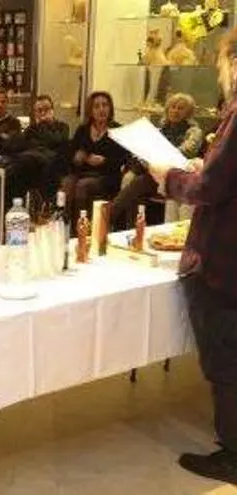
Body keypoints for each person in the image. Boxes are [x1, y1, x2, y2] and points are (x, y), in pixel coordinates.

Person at [146, 26, 237, 485]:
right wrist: (207, 166)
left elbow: (211, 188)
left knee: (225, 359)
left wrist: (171, 178)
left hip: (224, 258)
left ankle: (233, 454)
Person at [110, 93, 204, 228]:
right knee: (135, 190)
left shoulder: (194, 131)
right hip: (156, 173)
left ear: (188, 112)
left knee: (139, 183)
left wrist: (160, 155)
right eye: (173, 107)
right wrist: (144, 156)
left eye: (180, 108)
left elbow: (187, 151)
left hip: (177, 176)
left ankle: (109, 216)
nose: (175, 111)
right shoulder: (161, 129)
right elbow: (146, 151)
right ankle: (131, 229)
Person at [61, 91, 130, 228]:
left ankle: (83, 229)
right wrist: (78, 158)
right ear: (90, 111)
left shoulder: (118, 130)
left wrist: (104, 161)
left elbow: (123, 159)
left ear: (110, 108)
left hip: (106, 176)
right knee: (66, 184)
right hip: (81, 172)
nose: (101, 109)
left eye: (105, 105)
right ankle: (66, 226)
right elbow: (70, 155)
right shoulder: (83, 129)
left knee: (83, 186)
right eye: (96, 106)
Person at [19, 95, 71, 200]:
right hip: (34, 166)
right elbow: (25, 146)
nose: (43, 113)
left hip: (55, 164)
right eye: (39, 110)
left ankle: (46, 202)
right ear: (35, 113)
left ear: (52, 110)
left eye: (46, 109)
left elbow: (56, 140)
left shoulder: (63, 127)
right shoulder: (31, 129)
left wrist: (43, 125)